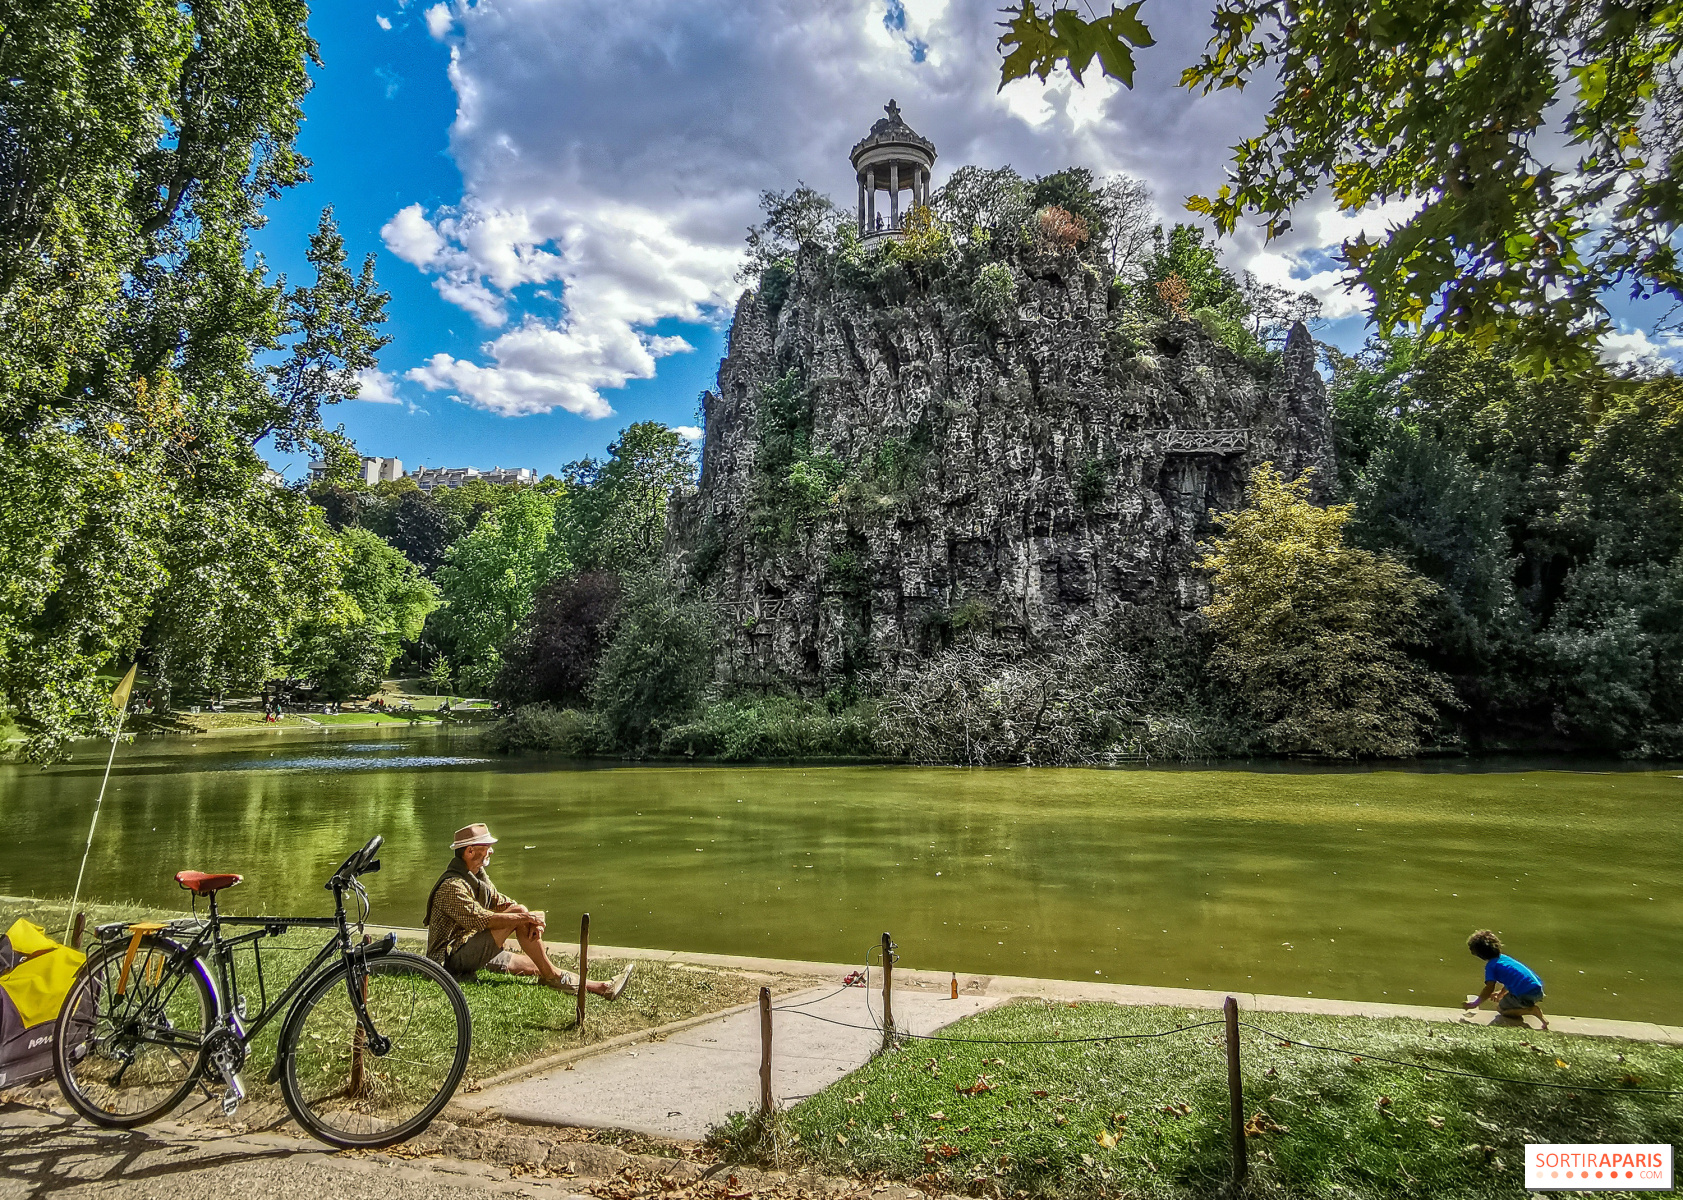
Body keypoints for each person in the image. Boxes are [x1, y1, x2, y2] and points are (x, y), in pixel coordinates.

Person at [424, 822, 633, 998]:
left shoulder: (476, 877)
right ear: (470, 851)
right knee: (521, 916)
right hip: (448, 961)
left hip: (469, 948)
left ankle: (601, 987)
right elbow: (482, 920)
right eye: (487, 846)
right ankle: (554, 979)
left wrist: (530, 920)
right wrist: (525, 916)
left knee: (538, 965)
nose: (492, 850)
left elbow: (502, 902)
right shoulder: (452, 886)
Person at [1463, 929, 1548, 1030]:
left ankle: (1531, 1010)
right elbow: (1513, 979)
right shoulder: (1504, 959)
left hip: (1526, 993)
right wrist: (1501, 993)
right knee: (1505, 1001)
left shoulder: (1491, 966)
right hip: (1537, 990)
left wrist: (1475, 1004)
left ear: (1480, 954)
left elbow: (1489, 988)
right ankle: (1542, 1019)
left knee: (1502, 1009)